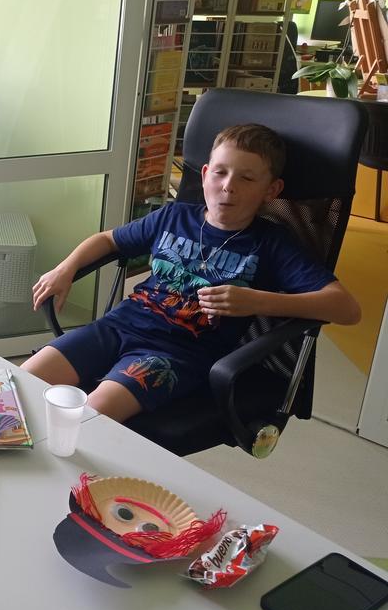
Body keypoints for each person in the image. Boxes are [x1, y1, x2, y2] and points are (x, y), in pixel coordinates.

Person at [22, 123, 361, 423]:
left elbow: (346, 308)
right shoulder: (174, 216)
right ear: (204, 174)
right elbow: (108, 239)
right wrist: (65, 268)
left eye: (246, 178)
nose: (228, 186)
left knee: (90, 418)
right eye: (220, 172)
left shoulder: (272, 243)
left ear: (271, 191)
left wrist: (258, 301)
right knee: (19, 385)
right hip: (116, 327)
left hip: (176, 354)